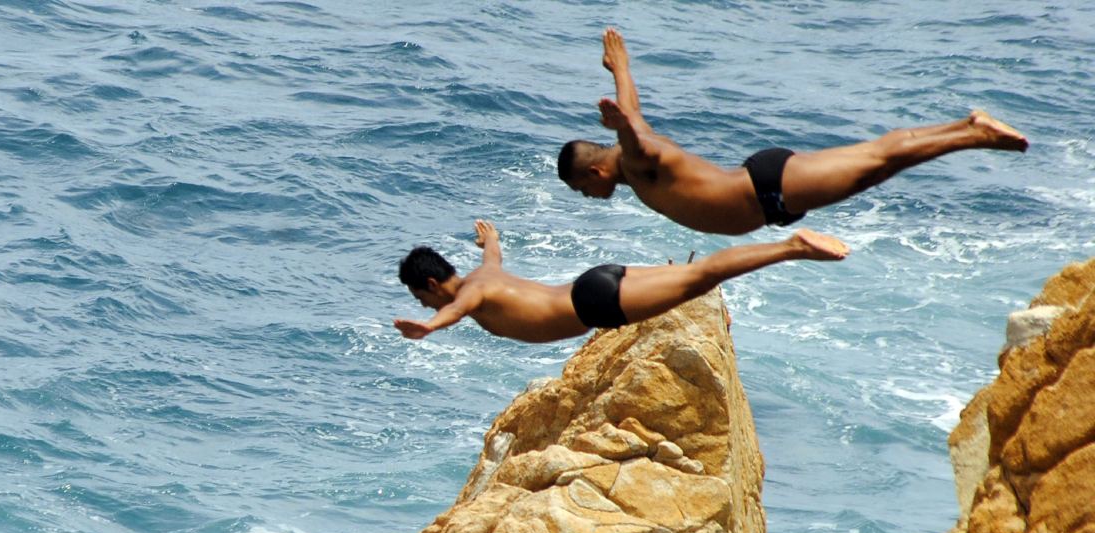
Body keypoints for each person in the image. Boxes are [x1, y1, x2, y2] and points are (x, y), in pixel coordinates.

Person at [557, 28, 1029, 236]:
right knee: (875, 157)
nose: (589, 197)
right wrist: (620, 68)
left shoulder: (635, 164)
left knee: (876, 167)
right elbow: (634, 118)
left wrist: (621, 125)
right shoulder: (634, 152)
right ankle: (967, 125)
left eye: (583, 190)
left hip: (767, 190)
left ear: (596, 172)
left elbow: (634, 138)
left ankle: (975, 136)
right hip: (766, 188)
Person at [394, 219, 849, 343]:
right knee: (693, 277)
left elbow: (455, 310)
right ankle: (713, 311)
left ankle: (792, 248)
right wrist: (488, 238)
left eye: (419, 298)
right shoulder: (483, 274)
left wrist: (430, 328)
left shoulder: (471, 293)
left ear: (433, 283)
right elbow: (494, 254)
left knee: (703, 273)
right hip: (594, 283)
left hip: (594, 304)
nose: (422, 306)